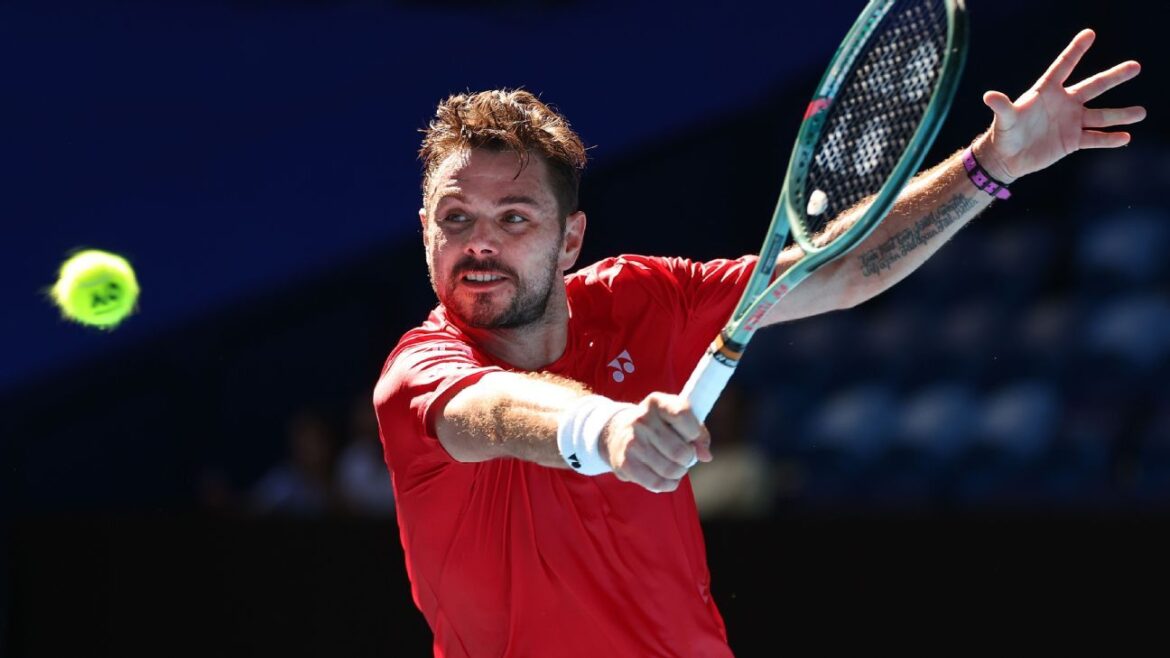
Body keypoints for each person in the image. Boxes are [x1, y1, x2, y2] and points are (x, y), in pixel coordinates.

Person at [374, 29, 1143, 657]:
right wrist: (605, 428)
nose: (480, 243)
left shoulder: (643, 297)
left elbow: (837, 270)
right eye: (455, 218)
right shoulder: (419, 370)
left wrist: (994, 163)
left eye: (514, 217)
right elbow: (493, 412)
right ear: (425, 231)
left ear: (570, 239)